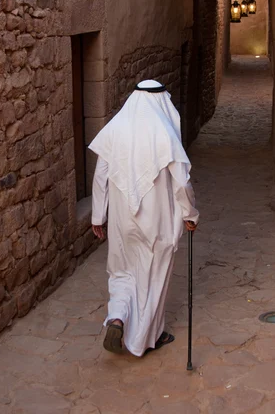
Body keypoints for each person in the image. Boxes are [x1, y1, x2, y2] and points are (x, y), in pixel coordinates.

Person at [89, 79, 199, 356]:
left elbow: (101, 174)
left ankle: (117, 317)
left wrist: (97, 216)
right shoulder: (165, 135)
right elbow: (181, 183)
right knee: (152, 277)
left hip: (121, 220)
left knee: (122, 271)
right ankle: (144, 339)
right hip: (158, 220)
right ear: (161, 101)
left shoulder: (114, 129)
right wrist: (190, 214)